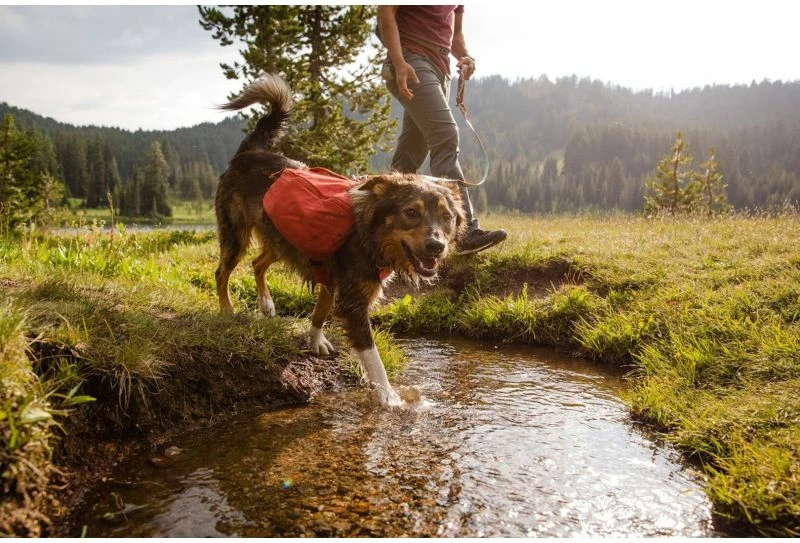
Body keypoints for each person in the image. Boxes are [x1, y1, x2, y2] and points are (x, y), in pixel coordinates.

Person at [377, 5, 507, 255]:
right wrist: (399, 62)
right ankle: (466, 232)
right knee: (446, 136)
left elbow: (454, 36)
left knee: (411, 152)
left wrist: (465, 56)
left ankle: (377, 226)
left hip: (440, 70)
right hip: (412, 62)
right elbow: (386, 15)